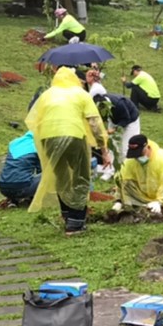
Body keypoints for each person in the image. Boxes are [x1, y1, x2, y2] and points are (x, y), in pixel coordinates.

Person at [25, 66, 111, 235]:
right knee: (80, 176)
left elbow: (34, 119)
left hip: (48, 137)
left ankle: (66, 215)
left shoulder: (47, 95)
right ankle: (76, 223)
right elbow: (94, 123)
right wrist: (104, 150)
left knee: (61, 176)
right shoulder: (81, 94)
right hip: (73, 136)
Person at [87, 69, 141, 161]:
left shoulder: (119, 104)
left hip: (130, 120)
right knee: (112, 146)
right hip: (114, 119)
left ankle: (127, 168)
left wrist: (114, 129)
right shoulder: (99, 104)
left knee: (126, 148)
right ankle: (111, 168)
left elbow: (126, 119)